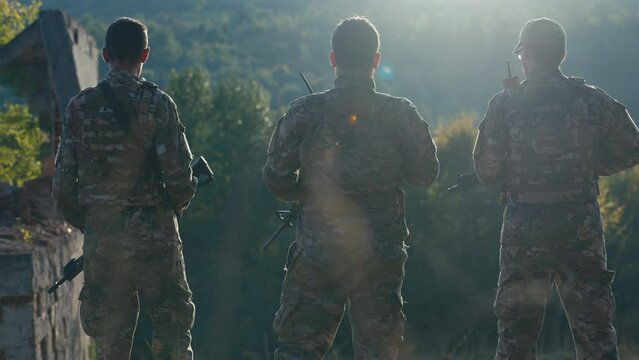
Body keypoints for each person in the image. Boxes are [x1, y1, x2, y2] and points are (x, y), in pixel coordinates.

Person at [263, 16, 439, 360]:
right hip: (380, 252)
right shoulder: (400, 114)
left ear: (333, 59)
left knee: (298, 349)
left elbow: (275, 176)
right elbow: (427, 173)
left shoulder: (304, 112)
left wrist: (309, 191)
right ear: (376, 60)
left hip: (318, 250)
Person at [473, 18, 639, 360]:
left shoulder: (505, 104)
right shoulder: (592, 100)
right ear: (562, 55)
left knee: (516, 339)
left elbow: (487, 171)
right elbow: (633, 147)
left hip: (524, 234)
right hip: (581, 229)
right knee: (595, 336)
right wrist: (593, 164)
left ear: (525, 54)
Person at [52, 17, 197, 360]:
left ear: (105, 55)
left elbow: (62, 189)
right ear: (144, 54)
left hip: (104, 241)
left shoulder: (79, 107)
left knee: (110, 343)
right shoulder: (159, 104)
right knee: (172, 335)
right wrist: (165, 215)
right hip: (155, 237)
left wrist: (94, 224)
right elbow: (181, 181)